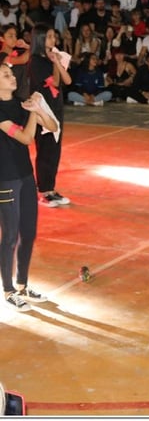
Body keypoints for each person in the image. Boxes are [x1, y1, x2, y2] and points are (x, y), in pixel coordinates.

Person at [0, 63, 59, 312]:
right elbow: (25, 137)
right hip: (6, 178)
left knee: (29, 233)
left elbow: (53, 127)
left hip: (25, 175)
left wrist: (38, 110)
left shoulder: (19, 102)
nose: (11, 77)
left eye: (11, 74)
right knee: (10, 236)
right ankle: (8, 289)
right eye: (5, 75)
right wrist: (34, 112)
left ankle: (23, 285)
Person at [28, 24, 72, 208]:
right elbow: (53, 81)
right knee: (45, 149)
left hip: (56, 106)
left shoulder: (50, 58)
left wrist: (57, 61)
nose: (53, 40)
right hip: (43, 109)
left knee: (55, 149)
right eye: (49, 37)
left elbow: (66, 80)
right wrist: (54, 63)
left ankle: (51, 189)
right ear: (40, 39)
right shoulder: (37, 61)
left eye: (54, 36)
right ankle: (44, 191)